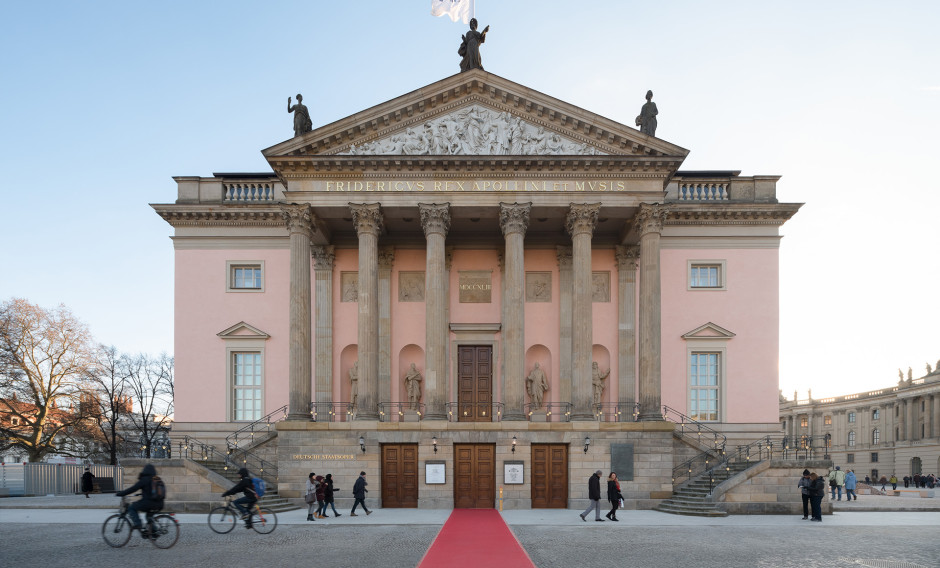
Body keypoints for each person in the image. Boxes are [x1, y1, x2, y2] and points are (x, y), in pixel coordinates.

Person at [115, 463, 164, 533]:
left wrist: (120, 493)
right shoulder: (157, 479)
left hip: (149, 503)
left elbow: (132, 489)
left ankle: (138, 524)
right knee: (148, 517)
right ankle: (154, 532)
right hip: (160, 504)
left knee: (131, 508)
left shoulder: (144, 479)